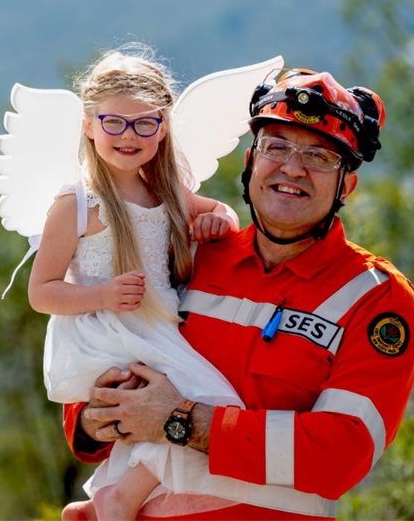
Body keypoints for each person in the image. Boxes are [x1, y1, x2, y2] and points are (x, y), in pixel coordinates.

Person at [65, 69, 414, 521]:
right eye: (276, 146)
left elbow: (341, 453)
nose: (292, 168)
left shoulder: (376, 298)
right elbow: (108, 346)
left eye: (319, 156)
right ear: (251, 161)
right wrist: (92, 415)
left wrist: (181, 420)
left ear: (346, 186)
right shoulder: (190, 253)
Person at [29, 47, 266, 521]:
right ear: (88, 124)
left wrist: (219, 218)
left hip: (154, 324)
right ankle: (118, 498)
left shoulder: (163, 190)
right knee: (207, 403)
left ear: (162, 127)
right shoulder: (75, 203)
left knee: (186, 410)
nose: (128, 135)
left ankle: (113, 499)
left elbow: (216, 210)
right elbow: (42, 292)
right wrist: (103, 294)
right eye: (113, 122)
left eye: (145, 123)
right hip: (106, 330)